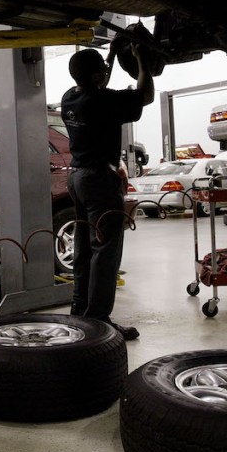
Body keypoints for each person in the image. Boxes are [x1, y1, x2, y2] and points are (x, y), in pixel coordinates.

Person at [60, 47, 155, 341]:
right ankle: (99, 320)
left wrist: (111, 56)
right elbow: (146, 95)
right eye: (102, 68)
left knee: (85, 248)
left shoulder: (70, 97)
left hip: (76, 179)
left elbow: (98, 82)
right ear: (97, 75)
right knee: (105, 251)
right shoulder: (104, 100)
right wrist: (142, 61)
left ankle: (80, 312)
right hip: (100, 182)